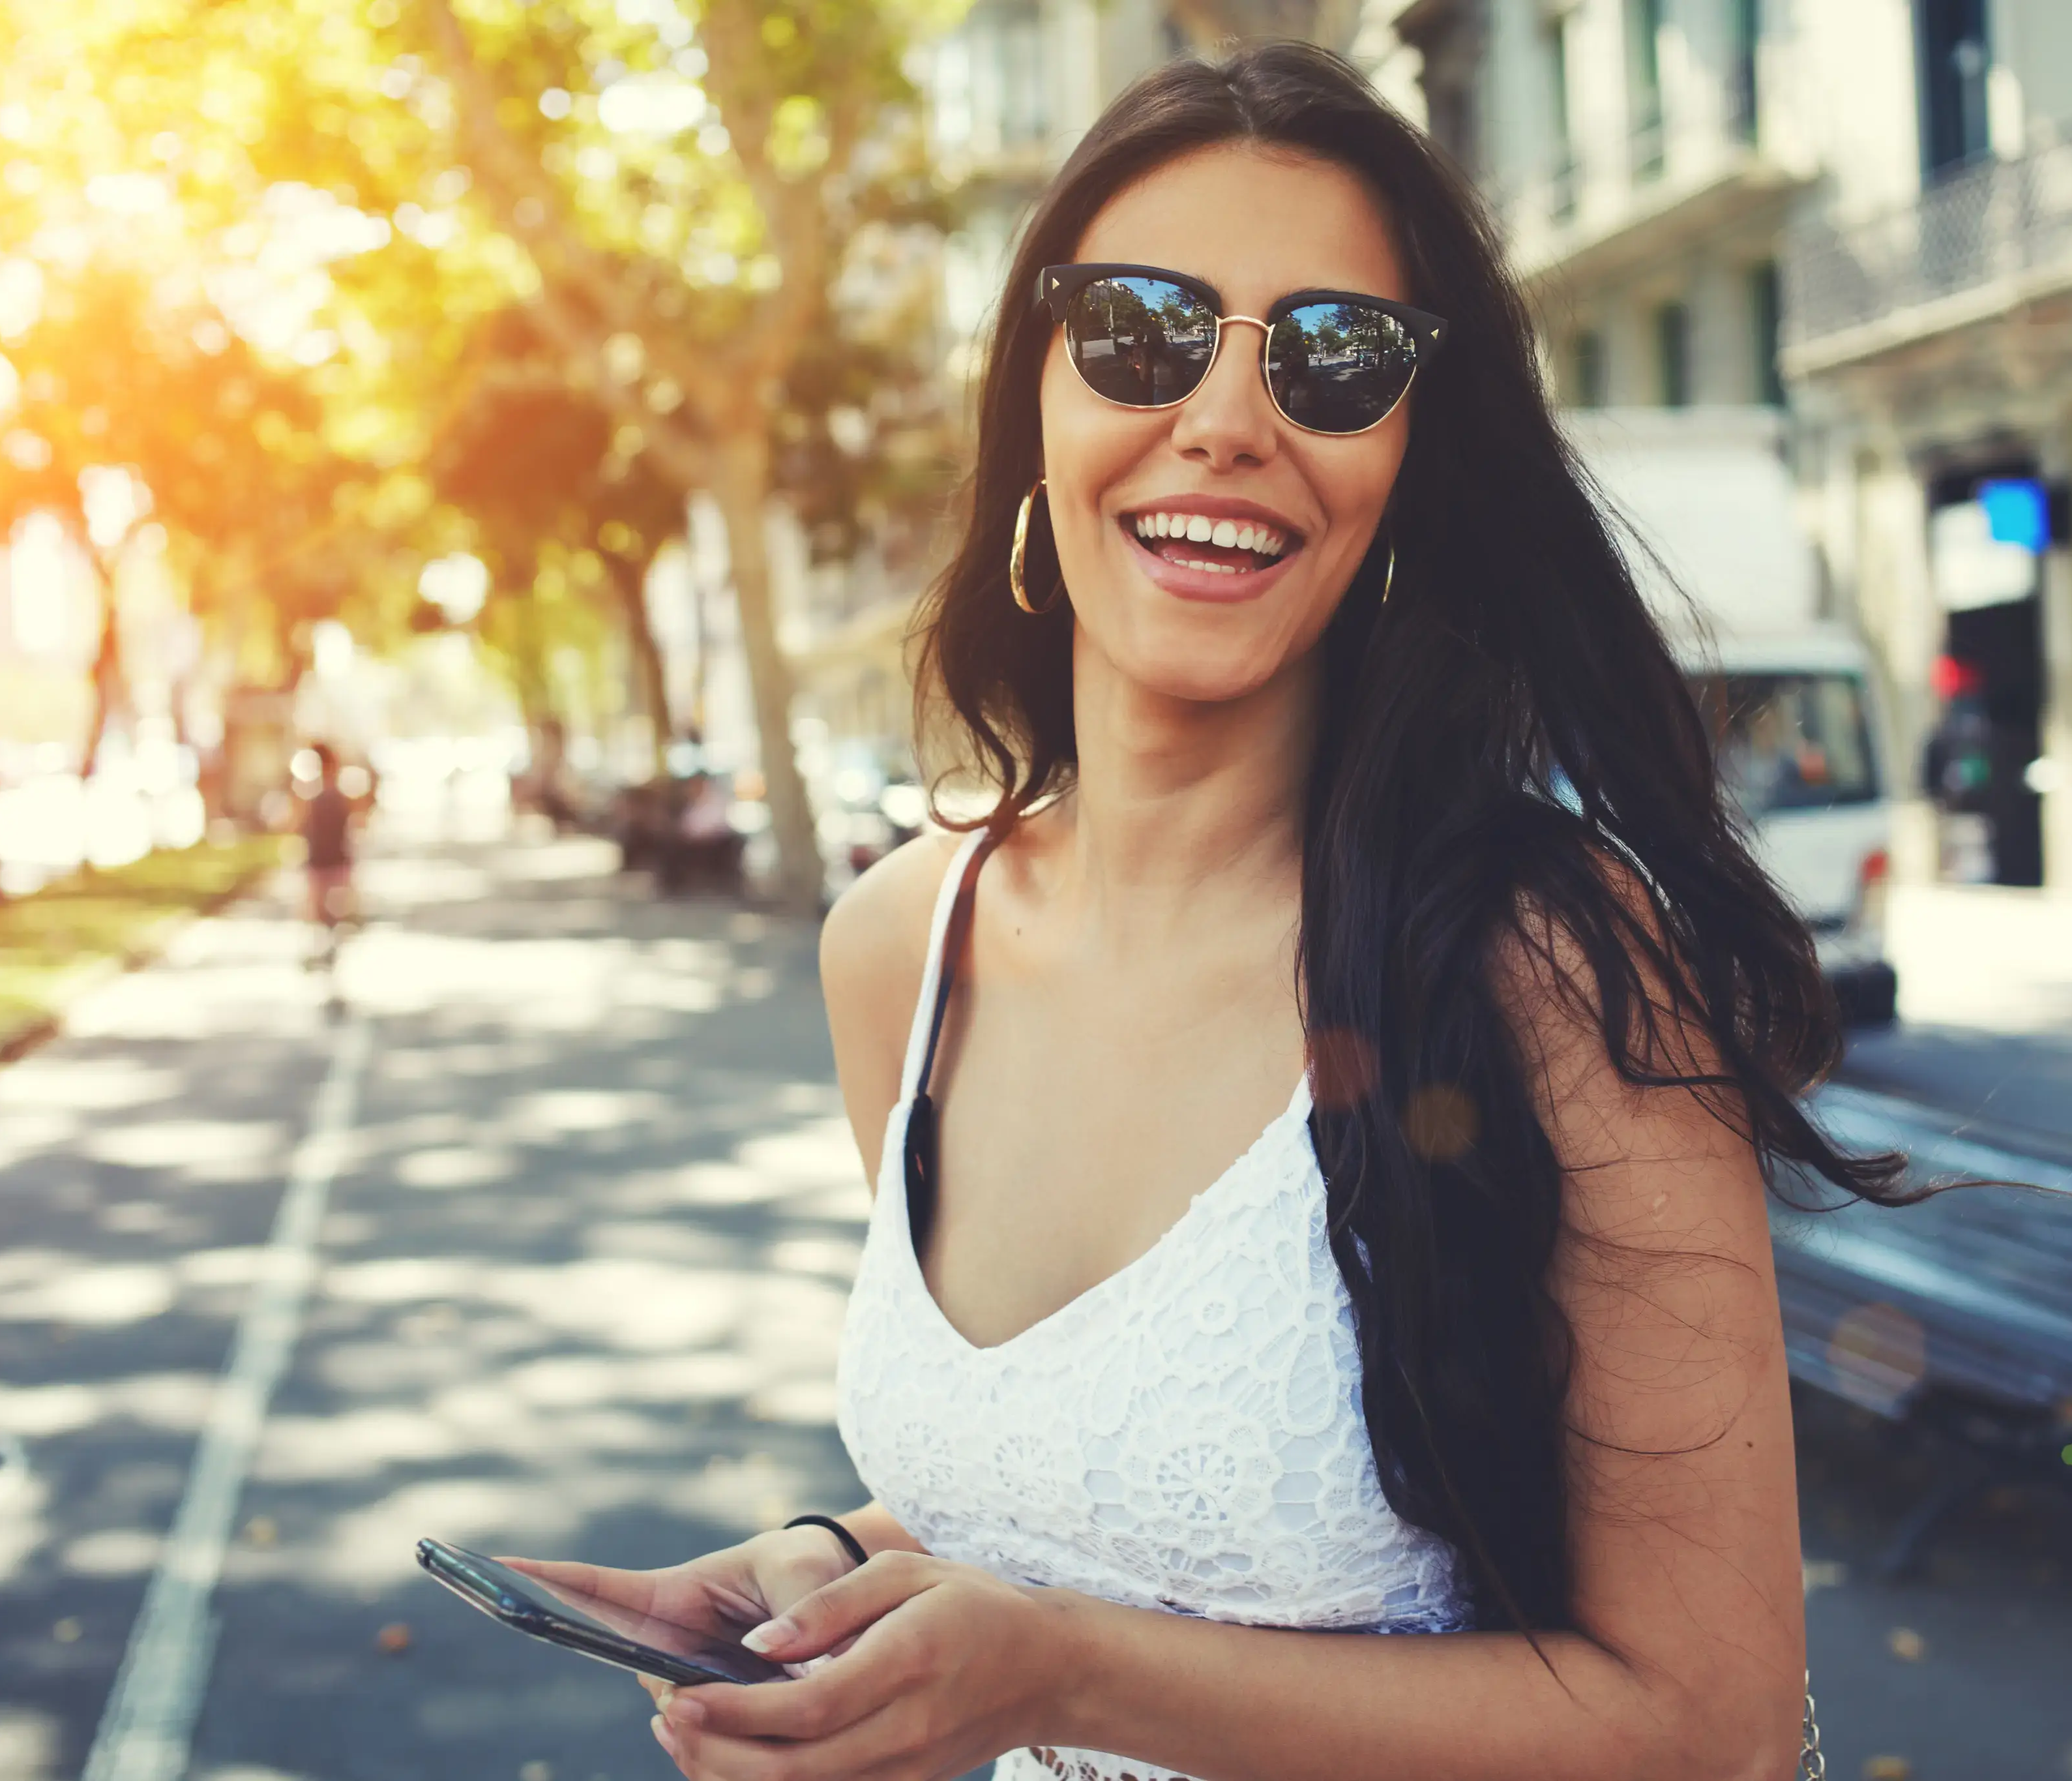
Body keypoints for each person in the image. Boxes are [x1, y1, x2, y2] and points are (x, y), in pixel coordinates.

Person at [515, 43, 1901, 1781]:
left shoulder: (1551, 967)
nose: (1230, 420)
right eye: (1144, 330)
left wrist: (1060, 1679)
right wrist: (838, 1576)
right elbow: (1086, 1488)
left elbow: (1711, 1724)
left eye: (1333, 359)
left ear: (1404, 459)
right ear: (1037, 395)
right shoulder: (897, 953)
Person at [299, 742, 357, 959]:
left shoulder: (327, 791)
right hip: (324, 858)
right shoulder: (310, 790)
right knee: (323, 908)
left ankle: (329, 942)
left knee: (330, 908)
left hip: (332, 857)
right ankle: (325, 943)